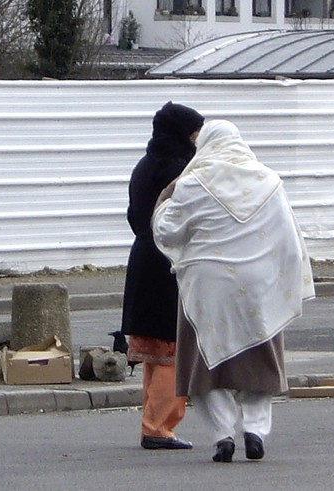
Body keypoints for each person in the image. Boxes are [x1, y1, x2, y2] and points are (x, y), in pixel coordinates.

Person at [152, 119, 314, 462]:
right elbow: (289, 236)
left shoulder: (193, 183)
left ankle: (222, 436)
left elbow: (168, 232)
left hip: (208, 284)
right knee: (260, 360)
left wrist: (165, 201)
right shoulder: (268, 181)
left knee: (204, 363)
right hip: (259, 285)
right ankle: (255, 430)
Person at [120, 102, 204, 450]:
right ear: (183, 132)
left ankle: (152, 423)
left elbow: (132, 214)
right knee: (173, 348)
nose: (199, 137)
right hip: (168, 262)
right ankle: (159, 427)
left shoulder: (145, 164)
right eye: (195, 131)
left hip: (143, 257)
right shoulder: (179, 169)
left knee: (156, 351)